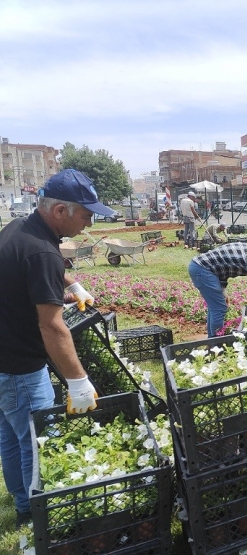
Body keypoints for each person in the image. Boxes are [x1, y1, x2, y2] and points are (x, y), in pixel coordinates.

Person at [0, 168, 104, 529]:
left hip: (3, 358)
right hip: (21, 366)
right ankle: (38, 516)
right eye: (86, 214)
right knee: (37, 441)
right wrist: (78, 381)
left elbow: (40, 269)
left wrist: (73, 285)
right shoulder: (42, 250)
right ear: (61, 211)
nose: (88, 222)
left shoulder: (20, 230)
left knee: (12, 438)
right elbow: (52, 325)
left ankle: (23, 505)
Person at [188, 243, 247, 337]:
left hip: (201, 267)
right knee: (219, 308)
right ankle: (215, 344)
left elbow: (223, 267)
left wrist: (223, 289)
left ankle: (211, 341)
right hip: (202, 269)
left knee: (215, 307)